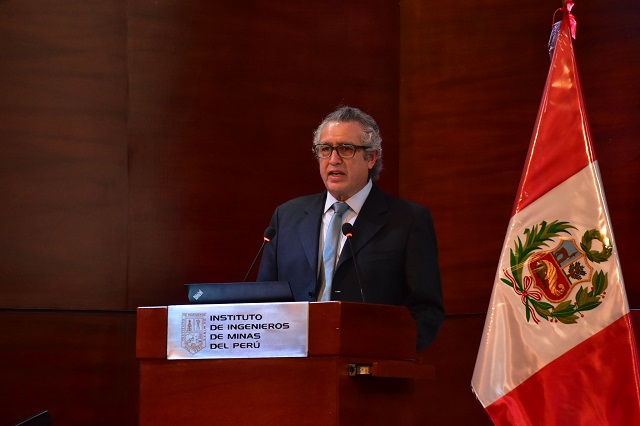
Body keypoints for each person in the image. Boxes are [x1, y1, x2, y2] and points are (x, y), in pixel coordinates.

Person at [257, 106, 444, 351]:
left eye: (346, 149)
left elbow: (425, 310)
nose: (333, 159)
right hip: (294, 362)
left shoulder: (407, 220)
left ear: (371, 157)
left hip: (367, 364)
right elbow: (263, 300)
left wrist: (388, 353)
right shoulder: (287, 217)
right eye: (325, 149)